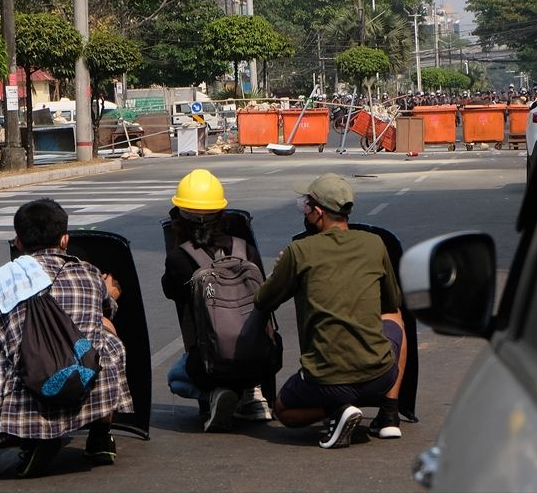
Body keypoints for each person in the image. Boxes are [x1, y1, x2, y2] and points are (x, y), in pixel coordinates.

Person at [0, 198, 132, 478]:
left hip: (28, 390)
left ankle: (33, 438)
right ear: (65, 240)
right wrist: (112, 295)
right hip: (85, 385)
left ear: (18, 242)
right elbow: (105, 312)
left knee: (4, 355)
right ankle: (101, 435)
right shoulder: (89, 273)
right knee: (109, 339)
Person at [253, 174, 407, 449]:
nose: (305, 211)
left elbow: (263, 300)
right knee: (395, 316)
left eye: (306, 207)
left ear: (318, 213)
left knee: (283, 411)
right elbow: (391, 301)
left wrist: (282, 268)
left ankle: (337, 410)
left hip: (324, 380)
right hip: (379, 377)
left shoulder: (299, 250)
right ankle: (389, 415)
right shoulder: (374, 244)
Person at [161, 169, 273, 432]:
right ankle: (252, 395)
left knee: (176, 378)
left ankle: (215, 394)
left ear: (180, 218)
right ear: (221, 214)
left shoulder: (179, 258)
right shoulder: (246, 249)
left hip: (212, 364)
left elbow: (172, 293)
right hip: (262, 359)